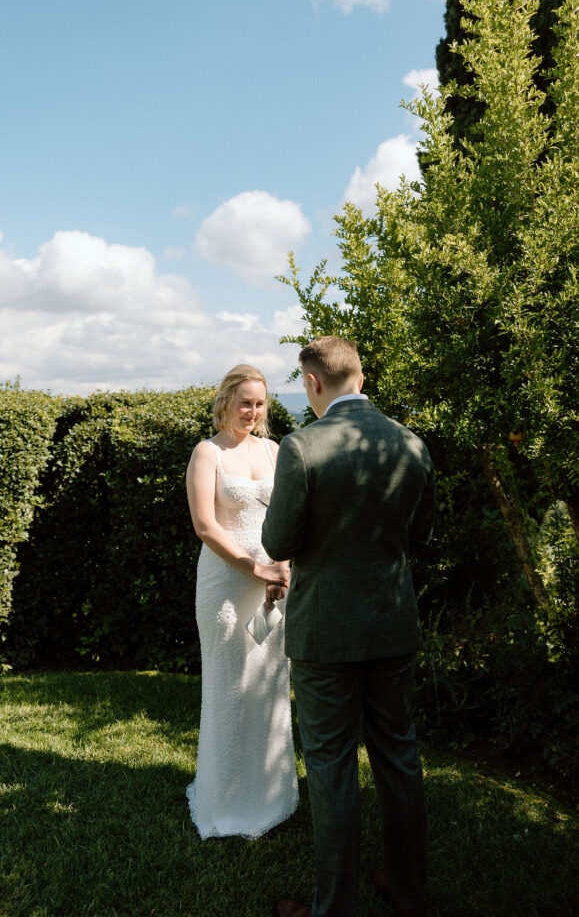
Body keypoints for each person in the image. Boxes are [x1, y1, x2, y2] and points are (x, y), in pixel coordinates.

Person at [262, 336, 434, 917]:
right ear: (360, 377)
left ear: (312, 382)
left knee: (332, 765)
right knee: (398, 755)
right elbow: (421, 535)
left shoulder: (302, 446)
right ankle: (408, 890)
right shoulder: (410, 442)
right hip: (392, 623)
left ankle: (334, 909)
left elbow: (277, 542)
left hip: (325, 632)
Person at [185, 363, 299, 839]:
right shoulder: (207, 453)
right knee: (231, 684)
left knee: (268, 682)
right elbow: (205, 526)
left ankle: (271, 794)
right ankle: (225, 800)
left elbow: (290, 517)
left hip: (273, 587)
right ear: (226, 401)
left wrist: (281, 570)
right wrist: (256, 568)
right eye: (245, 402)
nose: (252, 411)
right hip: (226, 588)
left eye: (259, 403)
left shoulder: (275, 451)